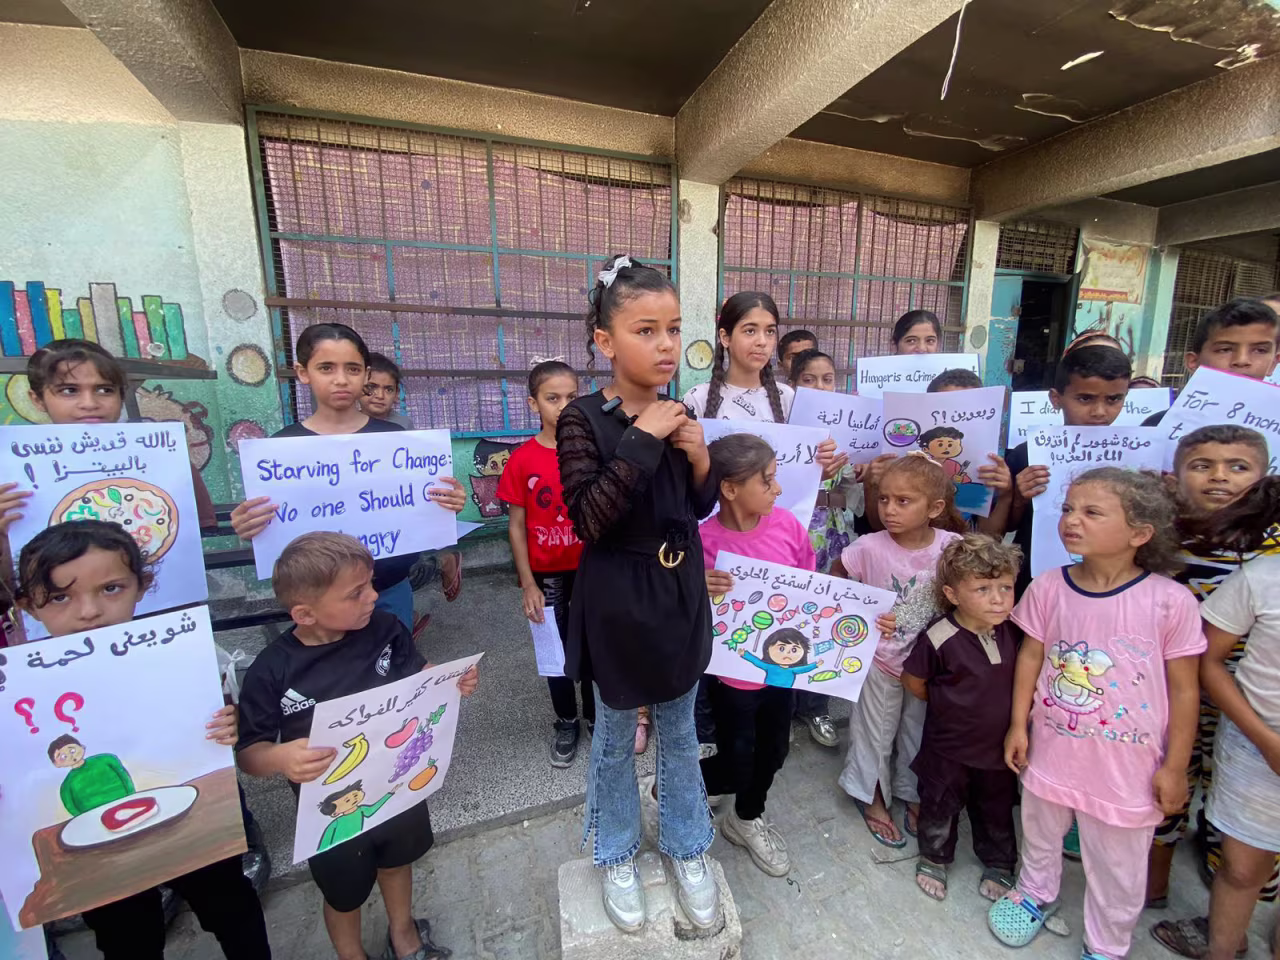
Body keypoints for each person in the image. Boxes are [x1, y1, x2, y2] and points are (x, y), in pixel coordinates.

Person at [13, 520, 269, 960]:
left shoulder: (180, 651)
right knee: (127, 937)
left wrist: (232, 722)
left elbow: (231, 715)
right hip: (97, 848)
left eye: (111, 589)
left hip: (192, 821)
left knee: (232, 907)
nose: (89, 611)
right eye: (60, 597)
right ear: (28, 606)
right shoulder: (17, 685)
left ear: (142, 585)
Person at [557, 255, 720, 934]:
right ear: (604, 341)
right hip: (618, 596)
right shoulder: (581, 419)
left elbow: (699, 505)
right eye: (645, 329)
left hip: (679, 589)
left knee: (681, 735)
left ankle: (688, 846)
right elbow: (589, 520)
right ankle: (617, 850)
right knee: (615, 736)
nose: (663, 345)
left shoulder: (682, 410)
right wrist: (641, 440)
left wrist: (701, 454)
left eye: (673, 329)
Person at [989, 468, 1204, 960]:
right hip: (1053, 746)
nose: (1071, 520)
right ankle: (1035, 892)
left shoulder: (1169, 602)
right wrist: (1018, 724)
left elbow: (1186, 692)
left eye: (1091, 512)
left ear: (1139, 533)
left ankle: (1107, 943)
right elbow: (1030, 657)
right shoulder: (1048, 586)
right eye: (1067, 509)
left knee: (1119, 862)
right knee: (1040, 829)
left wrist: (1175, 766)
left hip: (1128, 765)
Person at [236, 532, 478, 960]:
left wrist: (447, 681)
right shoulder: (271, 670)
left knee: (397, 861)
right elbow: (249, 754)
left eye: (370, 584)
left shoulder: (385, 628)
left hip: (397, 786)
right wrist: (279, 756)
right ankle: (351, 955)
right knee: (343, 893)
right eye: (356, 592)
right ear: (305, 613)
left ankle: (403, 935)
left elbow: (418, 673)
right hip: (330, 809)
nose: (373, 595)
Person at [229, 323, 467, 631]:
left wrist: (449, 503)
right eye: (326, 368)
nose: (341, 379)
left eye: (352, 369)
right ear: (303, 372)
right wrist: (249, 527)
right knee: (333, 677)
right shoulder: (278, 450)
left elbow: (424, 505)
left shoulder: (397, 440)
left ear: (366, 374)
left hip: (390, 588)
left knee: (394, 668)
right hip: (319, 600)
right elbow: (269, 528)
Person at [1147, 427, 1280, 957]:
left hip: (1250, 703)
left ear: (1264, 478)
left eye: (1237, 466)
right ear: (1175, 477)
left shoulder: (1271, 548)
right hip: (1169, 692)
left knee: (1244, 817)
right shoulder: (1159, 538)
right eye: (1202, 465)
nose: (1219, 476)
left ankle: (1237, 896)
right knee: (1166, 788)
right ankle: (1152, 887)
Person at [832, 454, 966, 847]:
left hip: (929, 663)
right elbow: (837, 580)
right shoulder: (868, 547)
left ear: (935, 508)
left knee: (917, 732)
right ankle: (871, 796)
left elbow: (963, 596)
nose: (889, 509)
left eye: (903, 501)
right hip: (878, 659)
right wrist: (863, 606)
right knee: (873, 732)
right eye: (884, 499)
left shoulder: (951, 547)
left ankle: (911, 793)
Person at [698, 434, 813, 876]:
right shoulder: (700, 541)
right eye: (767, 481)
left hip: (784, 674)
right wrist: (696, 586)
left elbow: (814, 591)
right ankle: (680, 789)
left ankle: (745, 818)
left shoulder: (787, 526)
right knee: (735, 758)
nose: (777, 489)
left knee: (775, 752)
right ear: (729, 488)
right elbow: (676, 604)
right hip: (731, 680)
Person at [902, 533, 1022, 902]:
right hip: (948, 746)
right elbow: (914, 681)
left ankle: (1000, 863)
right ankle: (935, 857)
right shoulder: (939, 636)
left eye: (1005, 587)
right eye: (983, 589)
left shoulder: (1015, 630)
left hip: (999, 748)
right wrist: (947, 705)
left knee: (997, 807)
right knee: (939, 802)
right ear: (953, 594)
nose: (998, 598)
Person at [498, 359, 593, 767]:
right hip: (546, 575)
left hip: (593, 571)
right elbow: (516, 526)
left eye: (572, 397)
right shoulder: (522, 460)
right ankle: (566, 720)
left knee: (592, 650)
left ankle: (596, 718)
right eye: (553, 398)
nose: (564, 406)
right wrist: (528, 583)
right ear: (532, 403)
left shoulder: (594, 453)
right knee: (555, 655)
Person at [1005, 343, 1132, 598]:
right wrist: (1019, 497)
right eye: (1085, 399)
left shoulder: (1136, 456)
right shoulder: (1027, 453)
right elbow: (1005, 526)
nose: (1099, 412)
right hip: (1037, 579)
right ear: (1056, 399)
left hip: (1116, 582)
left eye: (1113, 400)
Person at [786, 347, 859, 747]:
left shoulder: (846, 427)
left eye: (827, 378)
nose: (819, 386)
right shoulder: (782, 425)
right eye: (809, 379)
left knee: (826, 617)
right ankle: (784, 701)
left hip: (834, 536)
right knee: (790, 614)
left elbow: (850, 488)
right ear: (792, 382)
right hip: (795, 535)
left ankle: (816, 706)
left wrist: (859, 472)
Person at [1143, 299, 1280, 427]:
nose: (1241, 360)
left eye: (1260, 350)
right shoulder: (1158, 425)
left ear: (1274, 363)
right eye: (1225, 350)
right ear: (1193, 362)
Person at [682, 291, 795, 422]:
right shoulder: (697, 399)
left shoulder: (788, 398)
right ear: (725, 337)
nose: (762, 341)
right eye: (750, 331)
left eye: (770, 331)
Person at [361, 353, 414, 428]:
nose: (380, 396)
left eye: (389, 390)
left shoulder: (403, 425)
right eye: (371, 387)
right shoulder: (346, 424)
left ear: (396, 394)